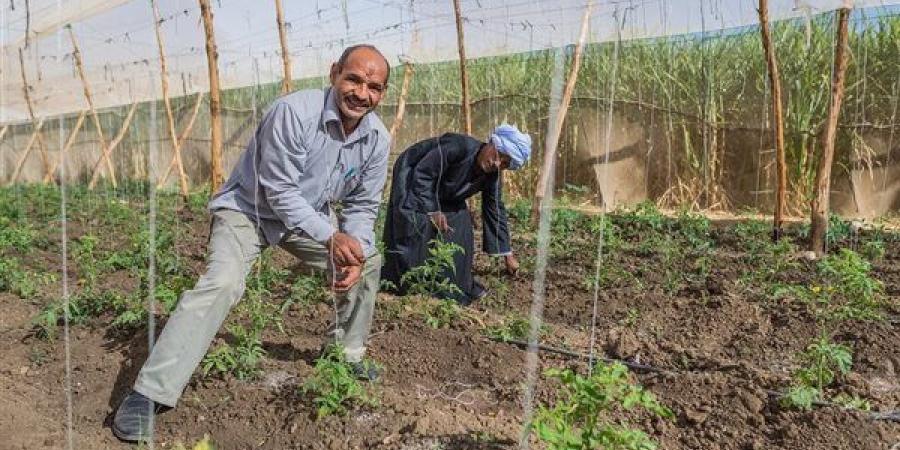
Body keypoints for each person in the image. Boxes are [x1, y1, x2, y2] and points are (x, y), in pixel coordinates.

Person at [112, 44, 391, 442]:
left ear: (382, 93)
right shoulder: (294, 113)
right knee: (223, 282)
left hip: (306, 218)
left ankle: (346, 355)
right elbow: (278, 191)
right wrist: (331, 235)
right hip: (249, 210)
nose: (362, 94)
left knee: (369, 260)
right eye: (354, 80)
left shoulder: (376, 139)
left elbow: (363, 206)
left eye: (374, 87)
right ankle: (148, 394)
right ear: (334, 74)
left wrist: (354, 250)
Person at [381, 125, 532, 305]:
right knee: (415, 221)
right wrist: (433, 210)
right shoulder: (458, 147)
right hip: (414, 173)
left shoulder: (493, 175)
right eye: (499, 155)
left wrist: (507, 254)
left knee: (460, 226)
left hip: (446, 191)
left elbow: (494, 209)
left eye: (506, 164)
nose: (497, 164)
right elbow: (424, 174)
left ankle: (458, 285)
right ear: (492, 144)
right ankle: (407, 283)